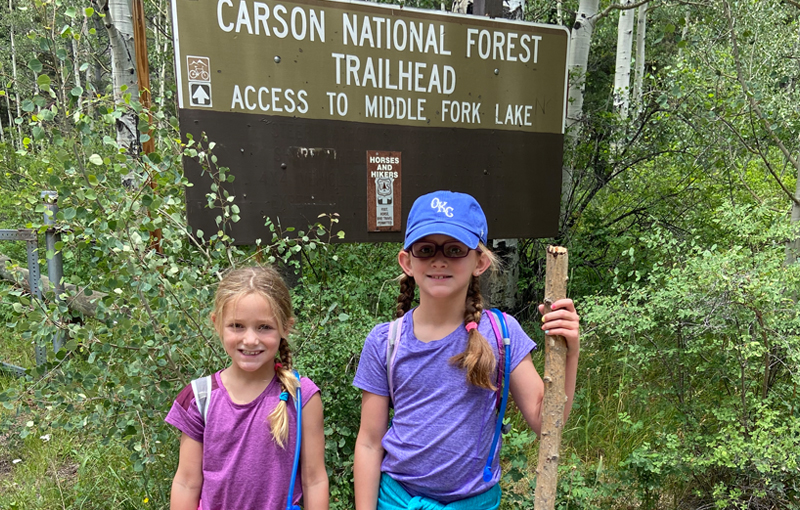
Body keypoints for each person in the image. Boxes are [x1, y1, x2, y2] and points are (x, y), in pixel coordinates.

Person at [353, 190, 580, 509]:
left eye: (456, 249)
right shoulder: (385, 341)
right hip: (397, 500)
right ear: (407, 261)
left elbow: (546, 420)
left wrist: (569, 353)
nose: (439, 259)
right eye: (426, 248)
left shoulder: (503, 334)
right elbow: (368, 442)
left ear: (480, 261)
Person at [166, 266, 329, 510]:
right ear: (217, 324)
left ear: (286, 327)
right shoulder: (199, 398)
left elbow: (314, 480)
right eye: (237, 326)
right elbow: (187, 483)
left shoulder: (302, 397)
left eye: (264, 327)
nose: (250, 339)